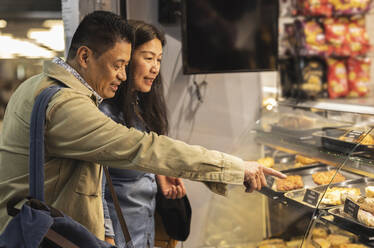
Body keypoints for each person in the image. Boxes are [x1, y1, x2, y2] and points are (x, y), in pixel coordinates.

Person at [0, 10, 286, 241]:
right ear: (85, 56)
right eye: (118, 64)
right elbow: (144, 148)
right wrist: (236, 168)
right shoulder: (65, 105)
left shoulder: (38, 86)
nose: (123, 76)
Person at [100, 20, 186, 247]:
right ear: (126, 59)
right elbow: (94, 189)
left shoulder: (140, 110)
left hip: (144, 238)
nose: (155, 68)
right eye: (148, 58)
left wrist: (158, 173)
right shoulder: (104, 115)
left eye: (158, 60)